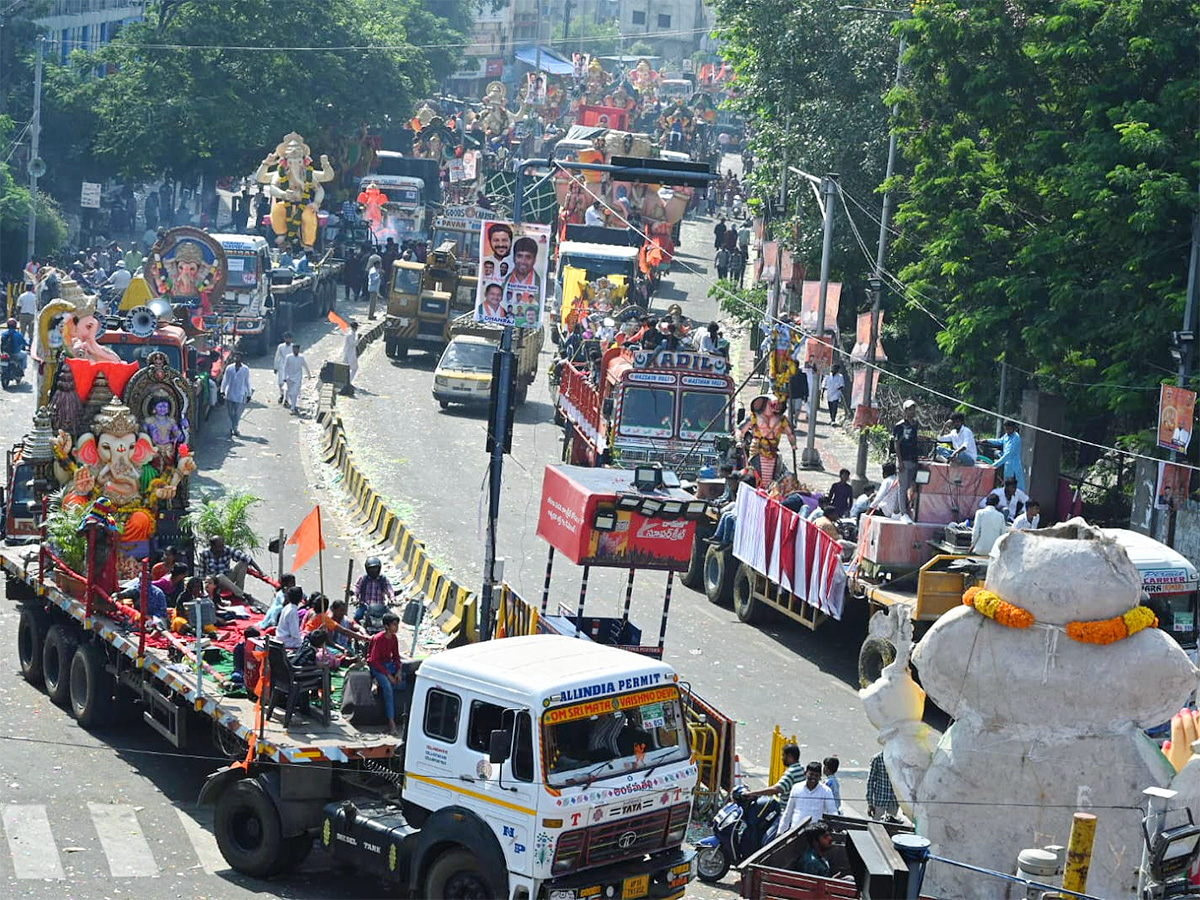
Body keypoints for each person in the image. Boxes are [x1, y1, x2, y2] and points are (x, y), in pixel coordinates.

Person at [368, 612, 408, 735]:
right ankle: (391, 723)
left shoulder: (394, 638)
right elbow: (373, 660)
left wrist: (398, 671)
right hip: (377, 667)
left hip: (388, 664)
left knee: (404, 683)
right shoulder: (378, 638)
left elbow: (396, 656)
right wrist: (388, 675)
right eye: (394, 625)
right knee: (388, 689)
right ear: (386, 626)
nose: (396, 627)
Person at [779, 762, 839, 833]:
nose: (813, 777)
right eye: (811, 774)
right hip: (796, 831)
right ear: (805, 773)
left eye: (816, 775)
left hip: (816, 834)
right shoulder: (796, 788)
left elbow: (832, 812)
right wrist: (780, 832)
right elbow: (788, 812)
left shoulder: (826, 791)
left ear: (820, 777)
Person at [198, 535, 263, 600]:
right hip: (215, 583)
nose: (221, 549)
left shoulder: (227, 549)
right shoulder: (205, 553)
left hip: (228, 578)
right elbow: (201, 573)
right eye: (218, 547)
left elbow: (246, 558)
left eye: (222, 546)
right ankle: (242, 594)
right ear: (212, 547)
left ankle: (238, 593)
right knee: (219, 576)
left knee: (243, 563)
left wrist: (260, 571)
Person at [891, 399, 922, 517]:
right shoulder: (900, 426)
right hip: (903, 459)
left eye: (913, 409)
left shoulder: (915, 424)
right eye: (909, 409)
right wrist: (900, 461)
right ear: (905, 411)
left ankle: (899, 509)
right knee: (903, 486)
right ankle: (903, 512)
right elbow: (897, 444)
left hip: (913, 458)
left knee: (911, 485)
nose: (912, 411)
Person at [983, 420, 1026, 491]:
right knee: (1007, 487)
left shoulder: (1016, 438)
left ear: (1014, 428)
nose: (1008, 431)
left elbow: (1007, 455)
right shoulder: (1006, 436)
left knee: (1017, 488)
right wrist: (987, 440)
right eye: (1006, 429)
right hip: (1007, 466)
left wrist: (993, 466)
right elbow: (999, 441)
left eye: (1009, 429)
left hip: (1014, 466)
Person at [220, 352, 252, 437]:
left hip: (240, 394)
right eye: (235, 357)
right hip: (230, 393)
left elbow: (247, 382)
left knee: (237, 413)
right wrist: (222, 391)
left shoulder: (245, 369)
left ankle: (235, 428)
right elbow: (225, 380)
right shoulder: (229, 368)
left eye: (238, 357)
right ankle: (232, 426)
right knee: (230, 412)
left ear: (241, 359)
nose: (236, 359)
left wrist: (249, 394)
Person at [354, 556, 395, 622]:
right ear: (367, 569)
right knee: (357, 617)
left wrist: (392, 599)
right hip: (365, 606)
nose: (373, 571)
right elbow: (357, 588)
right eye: (371, 569)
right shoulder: (363, 579)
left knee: (392, 620)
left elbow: (389, 589)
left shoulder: (383, 579)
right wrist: (355, 597)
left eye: (375, 568)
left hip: (380, 607)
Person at [866, 751, 900, 820]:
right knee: (877, 826)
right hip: (880, 800)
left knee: (891, 826)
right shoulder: (877, 759)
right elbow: (870, 781)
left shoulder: (899, 759)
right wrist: (870, 803)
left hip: (893, 801)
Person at [282, 343, 312, 413]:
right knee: (289, 392)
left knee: (295, 393)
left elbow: (305, 366)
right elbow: (285, 367)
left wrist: (309, 375)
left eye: (297, 349)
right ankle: (293, 404)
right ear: (292, 349)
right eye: (294, 349)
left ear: (298, 350)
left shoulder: (301, 358)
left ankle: (292, 408)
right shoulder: (288, 357)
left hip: (298, 378)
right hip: (289, 377)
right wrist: (284, 377)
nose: (295, 351)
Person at [275, 585, 306, 650]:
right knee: (305, 643)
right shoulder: (293, 611)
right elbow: (294, 633)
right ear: (300, 598)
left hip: (279, 636)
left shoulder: (287, 607)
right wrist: (300, 641)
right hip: (286, 641)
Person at [273, 331, 293, 403]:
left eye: (289, 338)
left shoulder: (293, 347)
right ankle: (281, 395)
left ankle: (286, 399)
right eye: (286, 338)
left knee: (288, 384)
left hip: (290, 367)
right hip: (281, 366)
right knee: (280, 383)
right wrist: (275, 367)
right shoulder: (280, 346)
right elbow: (277, 357)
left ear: (291, 339)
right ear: (284, 339)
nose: (287, 340)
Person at [341, 320, 359, 394]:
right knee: (354, 368)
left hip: (348, 353)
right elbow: (352, 344)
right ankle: (349, 382)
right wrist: (358, 339)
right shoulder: (351, 335)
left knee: (346, 368)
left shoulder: (352, 334)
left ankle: (345, 382)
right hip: (350, 354)